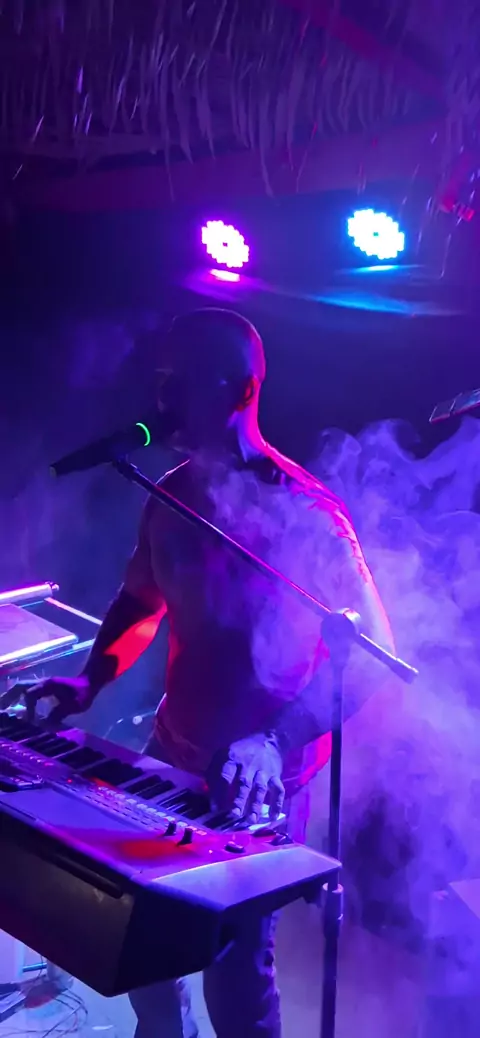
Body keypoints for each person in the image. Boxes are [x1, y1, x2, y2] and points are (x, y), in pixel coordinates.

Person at [14, 308, 394, 1038]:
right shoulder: (172, 493)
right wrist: (90, 681)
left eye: (181, 382)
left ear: (241, 389)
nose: (162, 401)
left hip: (261, 778)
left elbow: (373, 650)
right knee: (140, 946)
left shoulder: (308, 513)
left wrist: (274, 743)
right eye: (161, 379)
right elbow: (139, 599)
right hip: (172, 749)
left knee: (236, 977)